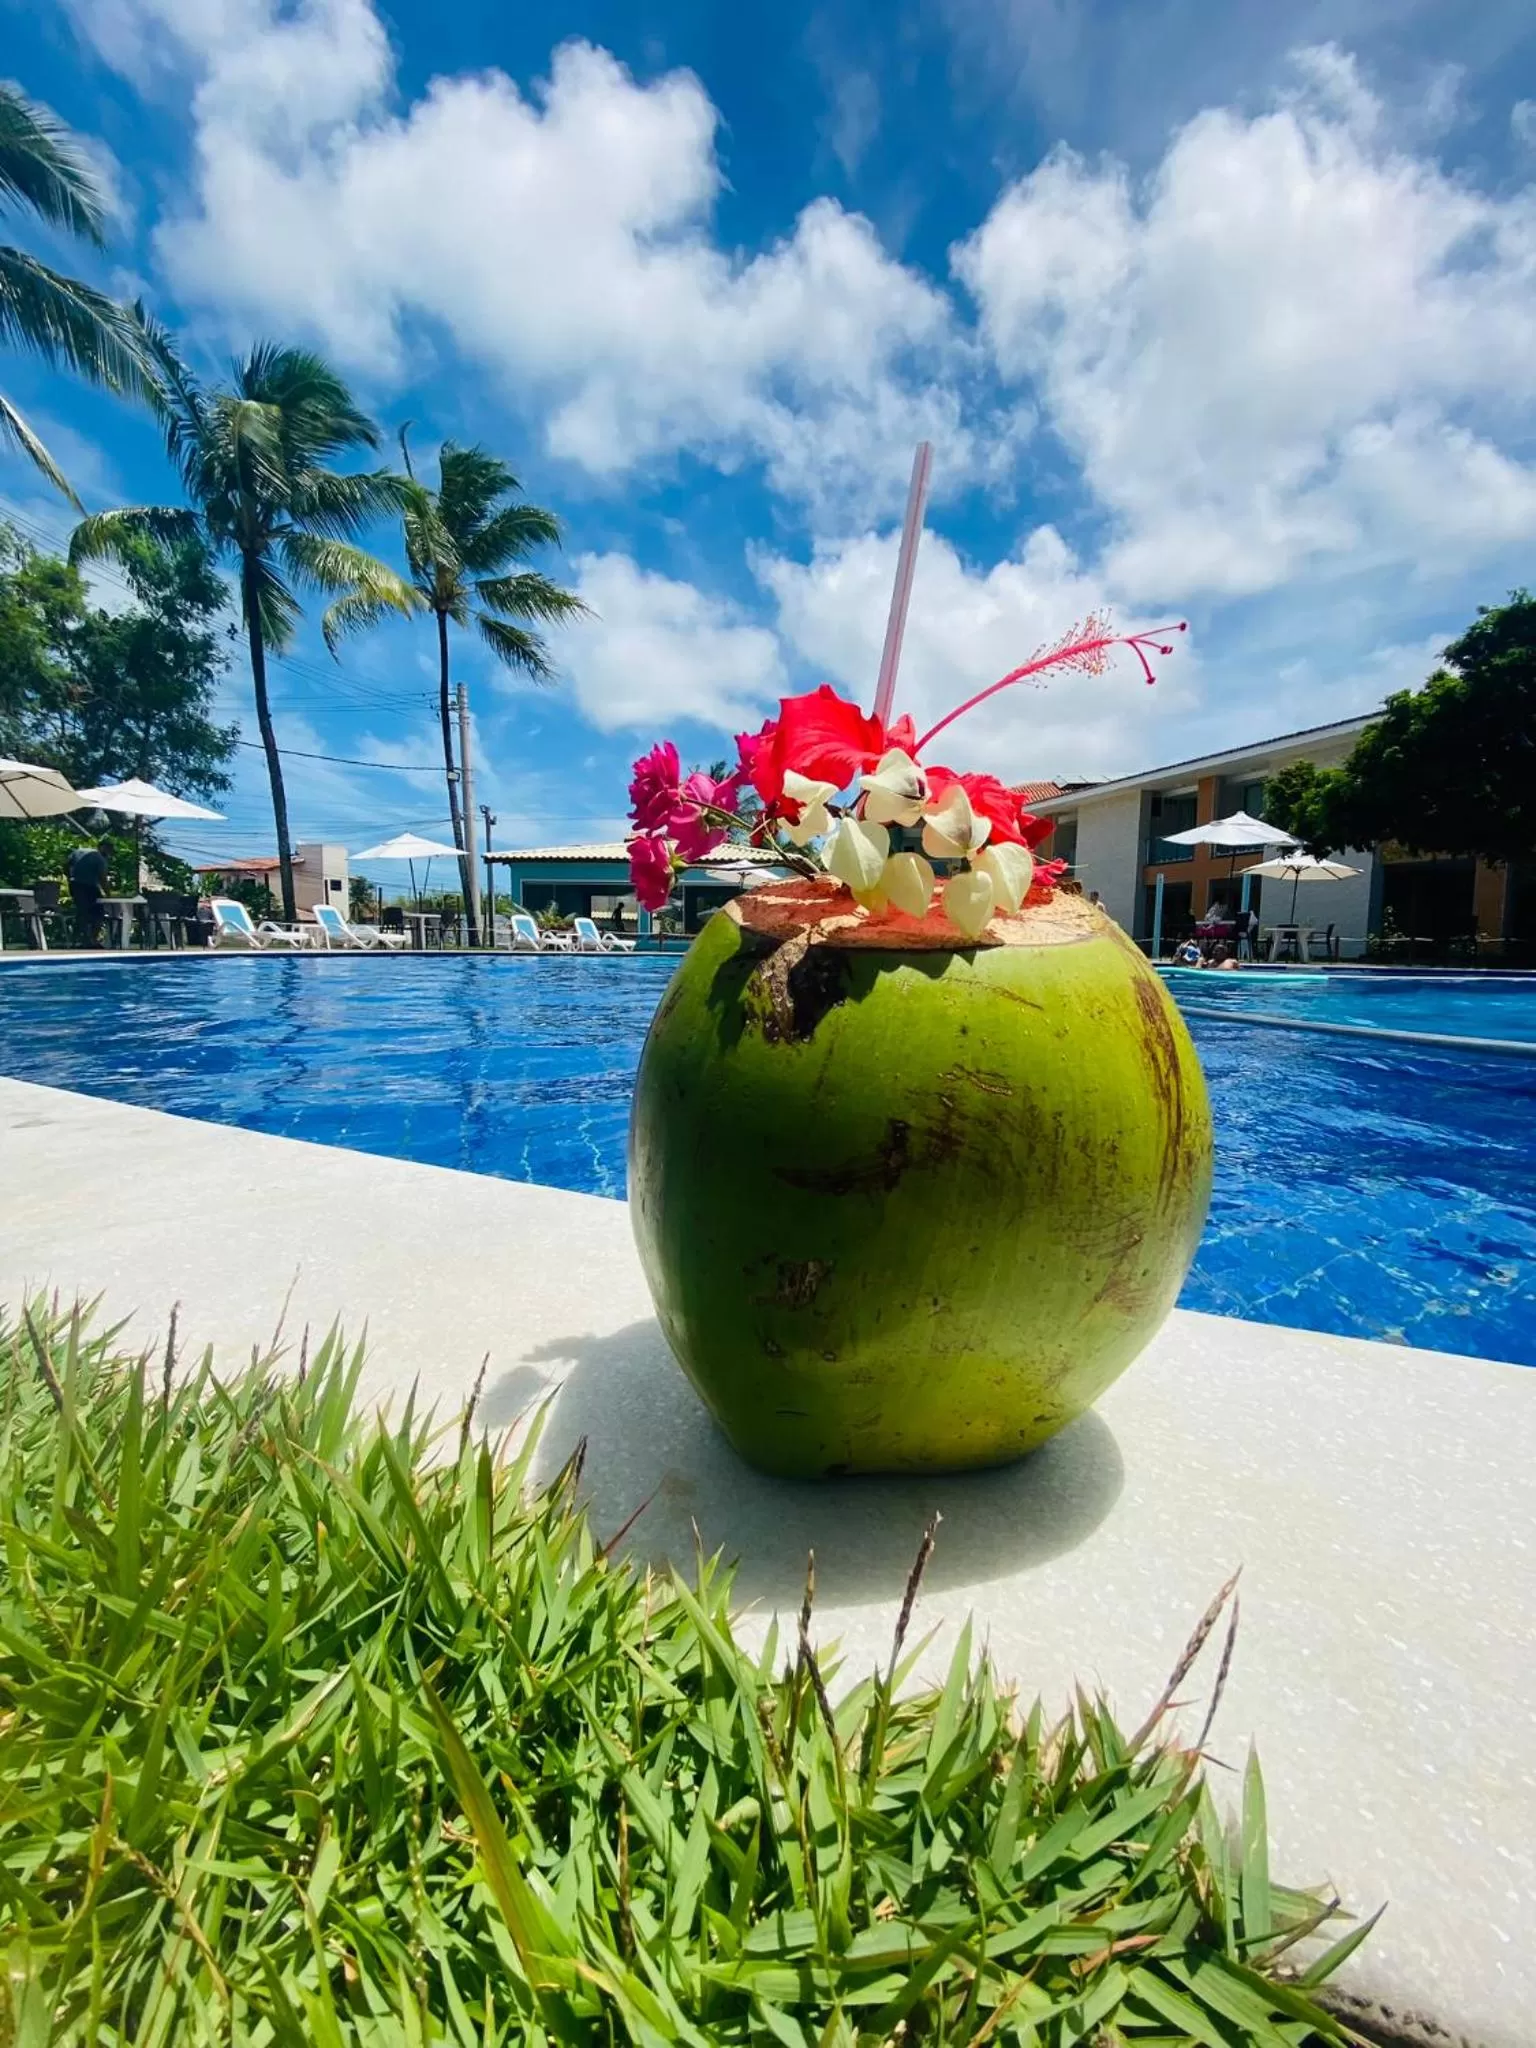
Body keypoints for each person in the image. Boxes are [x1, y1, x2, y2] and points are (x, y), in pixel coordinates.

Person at [67, 838, 110, 948]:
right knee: (98, 912)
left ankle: (79, 939)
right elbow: (102, 879)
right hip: (88, 887)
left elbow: (66, 865)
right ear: (103, 848)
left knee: (82, 911)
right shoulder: (99, 858)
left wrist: (70, 877)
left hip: (75, 885)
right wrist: (108, 895)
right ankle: (92, 939)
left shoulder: (79, 851)